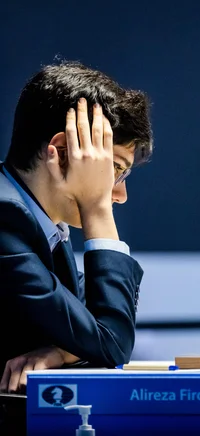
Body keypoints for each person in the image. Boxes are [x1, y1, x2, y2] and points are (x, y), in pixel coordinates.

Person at [0, 61, 153, 393]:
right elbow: (112, 341)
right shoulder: (5, 219)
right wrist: (96, 209)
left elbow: (97, 327)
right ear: (65, 153)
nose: (120, 194)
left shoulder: (39, 221)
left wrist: (62, 350)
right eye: (114, 169)